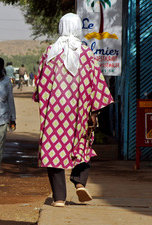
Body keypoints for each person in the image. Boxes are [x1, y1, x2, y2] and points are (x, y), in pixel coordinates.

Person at [34, 13, 114, 207]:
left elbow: (39, 88)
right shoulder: (87, 55)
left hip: (54, 112)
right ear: (78, 28)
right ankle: (79, 183)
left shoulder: (50, 53)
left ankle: (59, 198)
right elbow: (97, 86)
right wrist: (93, 113)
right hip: (79, 111)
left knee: (53, 150)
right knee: (82, 144)